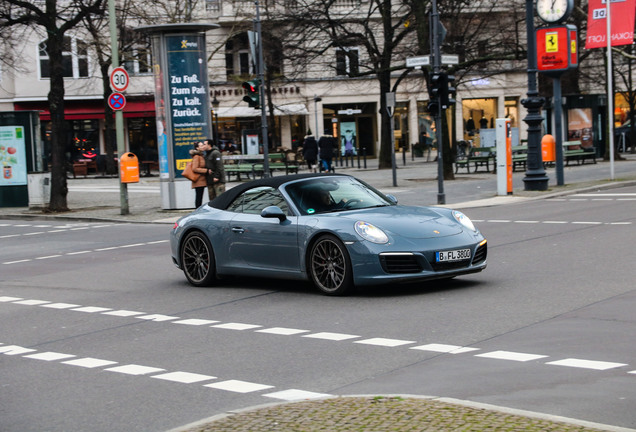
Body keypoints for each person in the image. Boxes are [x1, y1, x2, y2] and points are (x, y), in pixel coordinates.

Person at [190, 142, 210, 208]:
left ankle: (198, 209)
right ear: (197, 148)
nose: (203, 147)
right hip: (198, 180)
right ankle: (197, 210)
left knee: (200, 196)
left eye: (203, 145)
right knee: (199, 197)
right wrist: (206, 171)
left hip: (201, 180)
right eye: (201, 146)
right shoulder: (196, 156)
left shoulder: (201, 155)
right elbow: (194, 168)